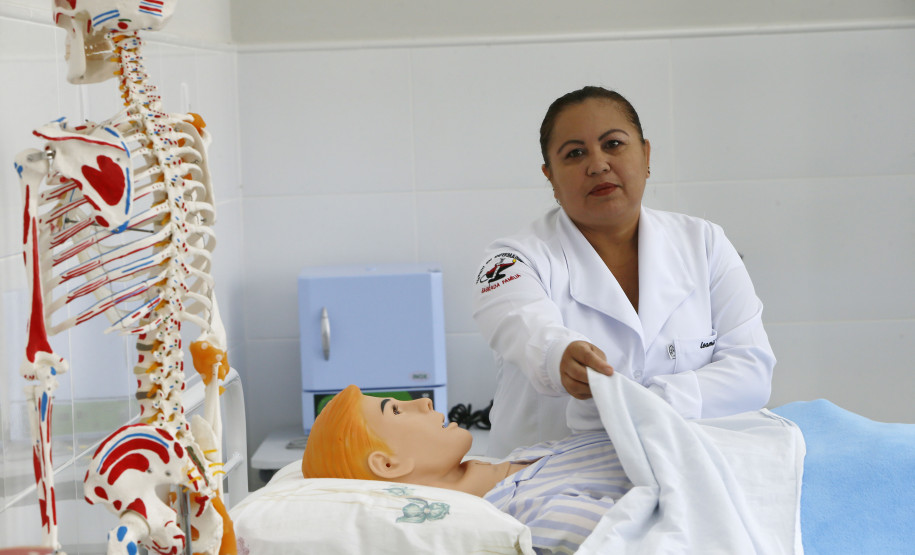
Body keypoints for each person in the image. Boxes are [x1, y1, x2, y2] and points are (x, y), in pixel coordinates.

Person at [472, 86, 776, 456]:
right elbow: (521, 325)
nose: (598, 164)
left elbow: (751, 372)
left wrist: (638, 405)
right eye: (575, 153)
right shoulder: (513, 259)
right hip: (542, 485)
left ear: (646, 154)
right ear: (550, 176)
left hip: (686, 472)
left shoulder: (705, 243)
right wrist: (560, 357)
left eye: (613, 144)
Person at [302, 384, 632, 553]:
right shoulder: (540, 517)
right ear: (389, 465)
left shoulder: (525, 457)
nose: (424, 402)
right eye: (397, 411)